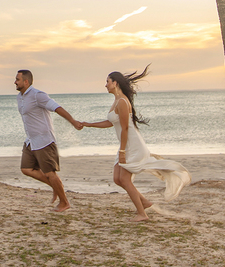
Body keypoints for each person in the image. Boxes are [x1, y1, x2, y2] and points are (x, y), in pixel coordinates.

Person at [79, 66, 190, 221]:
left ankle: (142, 214)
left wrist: (123, 151)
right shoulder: (117, 100)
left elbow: (125, 128)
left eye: (107, 82)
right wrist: (89, 124)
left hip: (132, 146)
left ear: (115, 83)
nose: (105, 85)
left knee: (124, 179)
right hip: (126, 145)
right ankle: (144, 202)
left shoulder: (123, 102)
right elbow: (111, 123)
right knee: (117, 179)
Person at [14, 69, 83, 212]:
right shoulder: (19, 98)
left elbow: (57, 108)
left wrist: (73, 121)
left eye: (17, 79)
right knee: (26, 169)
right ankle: (56, 187)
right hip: (31, 140)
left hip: (44, 140)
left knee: (50, 173)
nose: (15, 82)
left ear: (26, 82)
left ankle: (64, 202)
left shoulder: (37, 95)